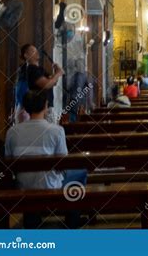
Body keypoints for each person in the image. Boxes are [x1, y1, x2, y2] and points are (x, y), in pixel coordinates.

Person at [5, 90, 87, 228]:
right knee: (80, 172)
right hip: (50, 186)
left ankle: (32, 218)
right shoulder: (56, 130)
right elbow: (63, 163)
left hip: (23, 185)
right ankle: (72, 219)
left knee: (32, 178)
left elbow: (7, 160)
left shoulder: (12, 132)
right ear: (46, 106)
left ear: (25, 108)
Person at [15, 44, 64, 124]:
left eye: (36, 50)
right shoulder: (31, 69)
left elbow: (53, 83)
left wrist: (56, 72)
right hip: (39, 107)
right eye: (33, 51)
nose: (36, 52)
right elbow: (46, 84)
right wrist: (58, 74)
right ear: (26, 55)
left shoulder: (39, 69)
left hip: (46, 105)